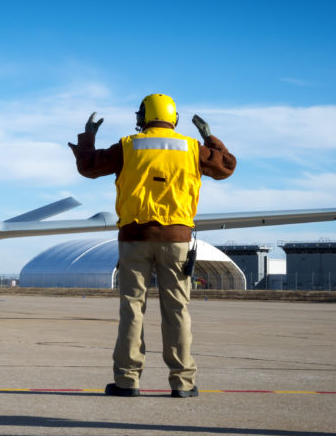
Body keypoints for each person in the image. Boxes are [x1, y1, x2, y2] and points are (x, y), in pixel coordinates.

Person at [68, 94, 236, 398]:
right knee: (177, 310)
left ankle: (127, 381)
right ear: (173, 119)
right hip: (176, 239)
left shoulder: (128, 145)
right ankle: (183, 382)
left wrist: (88, 136)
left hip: (135, 238)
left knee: (132, 308)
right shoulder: (191, 148)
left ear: (143, 116)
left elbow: (88, 167)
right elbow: (226, 166)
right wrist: (209, 136)